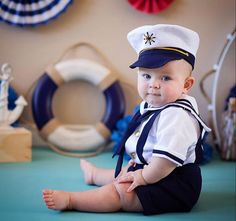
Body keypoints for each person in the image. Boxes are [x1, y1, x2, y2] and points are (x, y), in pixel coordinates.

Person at [42, 24, 211, 215]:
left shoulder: (177, 116)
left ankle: (72, 200)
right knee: (124, 174)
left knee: (121, 191)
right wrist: (138, 171)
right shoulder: (155, 105)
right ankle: (95, 175)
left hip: (174, 183)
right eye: (146, 75)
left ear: (186, 85)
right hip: (153, 169)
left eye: (165, 78)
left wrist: (143, 177)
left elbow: (164, 161)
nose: (153, 85)